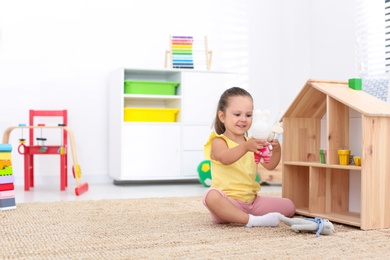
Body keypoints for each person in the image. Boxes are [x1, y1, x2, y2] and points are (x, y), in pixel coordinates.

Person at [202, 86, 295, 227]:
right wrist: (246, 147)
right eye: (237, 114)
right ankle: (252, 221)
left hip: (252, 202)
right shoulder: (218, 141)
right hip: (228, 202)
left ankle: (244, 216)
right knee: (210, 196)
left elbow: (270, 165)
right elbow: (225, 158)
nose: (243, 119)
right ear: (222, 116)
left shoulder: (252, 142)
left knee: (290, 206)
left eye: (248, 115)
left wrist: (276, 150)